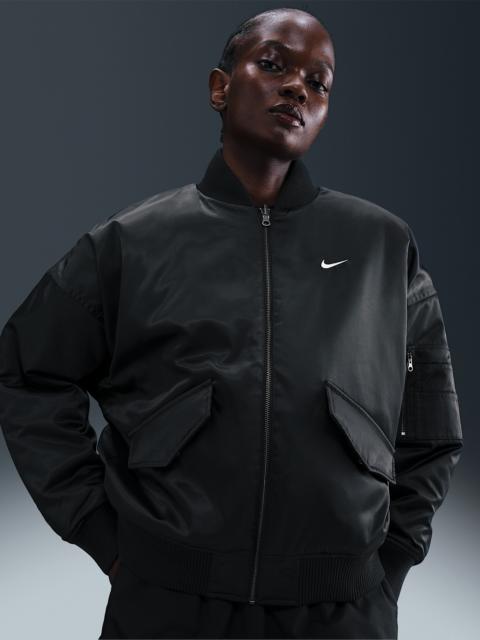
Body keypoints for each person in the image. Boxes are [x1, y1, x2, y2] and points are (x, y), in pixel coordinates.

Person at [0, 7, 463, 640]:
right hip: (168, 605)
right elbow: (27, 372)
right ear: (221, 88)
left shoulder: (382, 245)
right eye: (273, 65)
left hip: (341, 610)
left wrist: (394, 562)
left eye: (319, 82)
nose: (297, 87)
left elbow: (432, 428)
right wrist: (100, 533)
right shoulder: (133, 242)